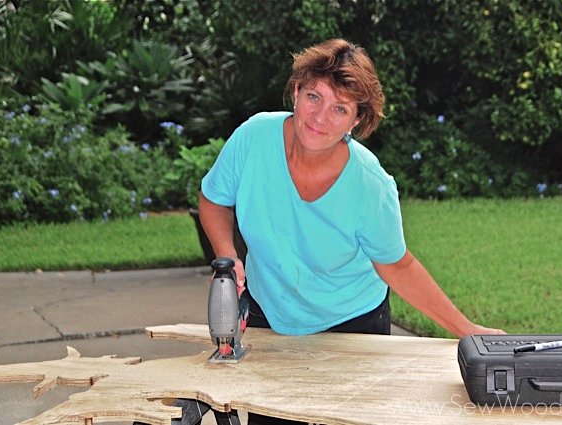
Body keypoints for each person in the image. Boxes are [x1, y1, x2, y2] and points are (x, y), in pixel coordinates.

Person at [196, 38, 504, 425]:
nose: (320, 117)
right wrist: (228, 258)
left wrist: (467, 330)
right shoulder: (253, 139)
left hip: (353, 324)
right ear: (296, 91)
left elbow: (399, 266)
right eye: (314, 97)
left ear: (356, 120)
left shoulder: (369, 184)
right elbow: (213, 199)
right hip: (270, 316)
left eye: (339, 108)